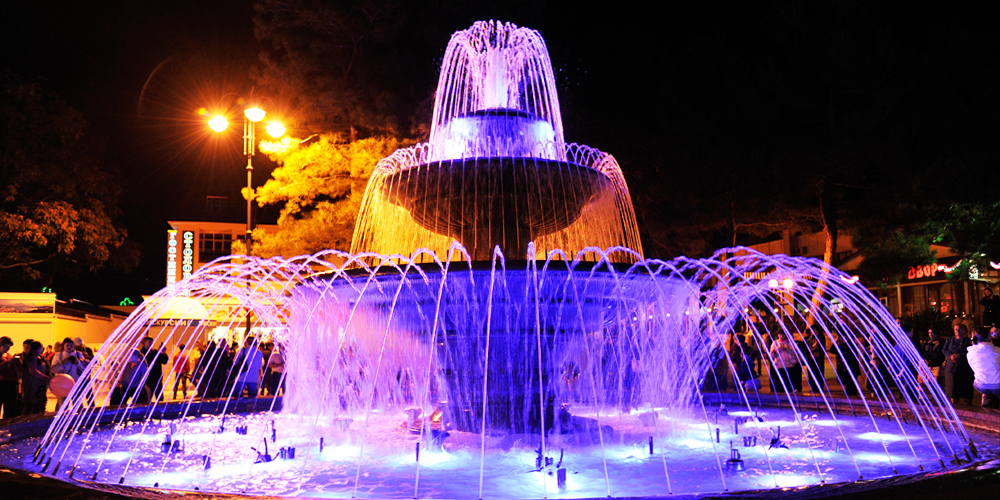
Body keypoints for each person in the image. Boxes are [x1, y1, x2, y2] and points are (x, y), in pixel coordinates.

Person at [51, 337, 87, 411]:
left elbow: (84, 369)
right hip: (62, 385)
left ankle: (77, 421)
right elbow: (53, 369)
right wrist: (62, 363)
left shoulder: (78, 354)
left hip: (75, 383)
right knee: (63, 406)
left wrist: (78, 362)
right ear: (63, 346)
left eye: (71, 345)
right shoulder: (59, 355)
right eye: (67, 345)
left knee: (78, 406)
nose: (69, 347)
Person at [966, 331, 1000, 408]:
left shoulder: (970, 352)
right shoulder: (997, 349)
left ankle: (985, 397)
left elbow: (974, 368)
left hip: (981, 386)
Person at [943, 324, 974, 405]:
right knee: (953, 392)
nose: (957, 331)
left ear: (964, 331)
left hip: (964, 369)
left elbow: (971, 352)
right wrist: (951, 356)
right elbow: (944, 349)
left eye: (959, 329)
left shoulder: (968, 341)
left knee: (966, 392)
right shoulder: (950, 340)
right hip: (952, 369)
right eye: (956, 329)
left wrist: (960, 356)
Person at [20, 341, 50, 415]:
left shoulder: (39, 357)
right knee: (31, 405)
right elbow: (32, 371)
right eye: (40, 348)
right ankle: (26, 421)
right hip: (33, 385)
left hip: (38, 384)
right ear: (34, 349)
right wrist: (44, 377)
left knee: (37, 405)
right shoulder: (32, 357)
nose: (42, 349)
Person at [829, 332, 861, 396]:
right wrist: (835, 342)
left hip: (851, 368)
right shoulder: (841, 345)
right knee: (848, 386)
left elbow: (849, 354)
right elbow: (832, 350)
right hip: (844, 369)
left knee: (852, 386)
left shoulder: (852, 345)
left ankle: (853, 398)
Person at [140, 337, 168, 401]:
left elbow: (164, 361)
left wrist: (163, 353)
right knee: (148, 398)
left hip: (157, 379)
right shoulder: (142, 353)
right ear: (144, 342)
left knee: (160, 398)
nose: (151, 343)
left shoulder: (154, 352)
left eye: (152, 342)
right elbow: (148, 361)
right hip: (148, 380)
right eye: (149, 342)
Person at [0, 337, 19, 419]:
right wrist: (7, 362)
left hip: (9, 384)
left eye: (9, 348)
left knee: (10, 410)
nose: (7, 349)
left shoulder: (6, 356)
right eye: (6, 347)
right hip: (2, 384)